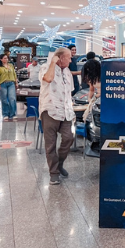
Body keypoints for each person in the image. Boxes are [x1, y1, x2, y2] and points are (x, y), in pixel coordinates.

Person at [40, 47, 76, 185]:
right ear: (60, 58)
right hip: (50, 110)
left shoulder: (67, 72)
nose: (71, 59)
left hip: (66, 112)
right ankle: (53, 173)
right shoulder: (45, 68)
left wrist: (71, 107)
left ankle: (59, 164)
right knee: (51, 145)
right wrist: (52, 63)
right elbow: (48, 79)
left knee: (68, 138)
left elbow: (69, 92)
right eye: (69, 57)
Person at [0, 53, 19, 121]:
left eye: (7, 58)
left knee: (12, 98)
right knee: (4, 100)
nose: (6, 59)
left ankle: (13, 114)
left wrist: (16, 82)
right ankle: (5, 114)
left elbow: (14, 74)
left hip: (11, 83)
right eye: (4, 58)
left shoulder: (11, 65)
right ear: (1, 59)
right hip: (2, 84)